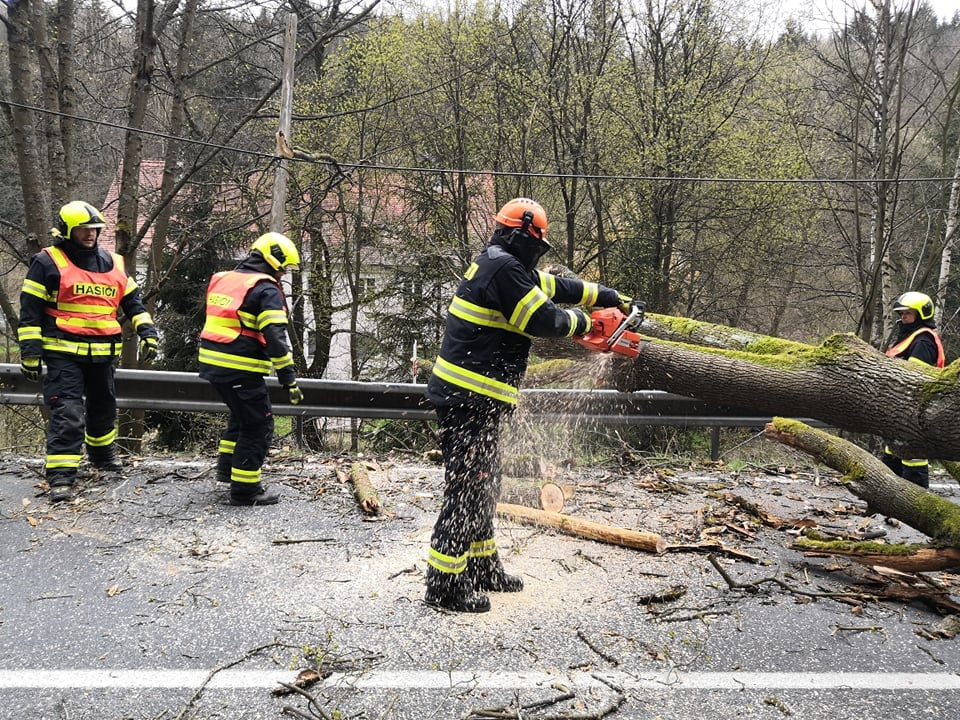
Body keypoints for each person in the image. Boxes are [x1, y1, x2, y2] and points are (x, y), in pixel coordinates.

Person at [424, 197, 644, 613]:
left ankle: (483, 565)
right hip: (467, 398)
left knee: (486, 485)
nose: (536, 254)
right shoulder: (504, 269)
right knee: (468, 488)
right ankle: (444, 584)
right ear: (520, 235)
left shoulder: (504, 264)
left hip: (476, 399)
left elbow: (559, 287)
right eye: (534, 244)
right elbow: (544, 319)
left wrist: (608, 296)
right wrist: (591, 323)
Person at [17, 201, 159, 503]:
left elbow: (133, 303)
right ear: (67, 231)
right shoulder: (47, 262)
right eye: (84, 230)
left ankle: (103, 458)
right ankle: (61, 477)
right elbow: (29, 312)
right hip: (62, 354)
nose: (90, 235)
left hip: (104, 354)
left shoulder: (114, 263)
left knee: (104, 408)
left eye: (95, 230)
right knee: (68, 414)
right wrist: (30, 352)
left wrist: (148, 332)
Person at [198, 231, 304, 506]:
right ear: (273, 260)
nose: (283, 274)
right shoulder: (266, 289)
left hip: (212, 364)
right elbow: (276, 339)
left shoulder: (226, 279)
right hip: (240, 367)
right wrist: (288, 378)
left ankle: (227, 469)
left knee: (242, 416)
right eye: (283, 268)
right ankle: (245, 490)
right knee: (258, 424)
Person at [881, 291, 945, 489]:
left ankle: (915, 510)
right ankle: (889, 505)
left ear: (921, 314)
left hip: (914, 414)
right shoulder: (909, 338)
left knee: (913, 462)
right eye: (901, 314)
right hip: (899, 413)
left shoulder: (923, 342)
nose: (903, 318)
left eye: (907, 314)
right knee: (892, 457)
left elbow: (914, 379)